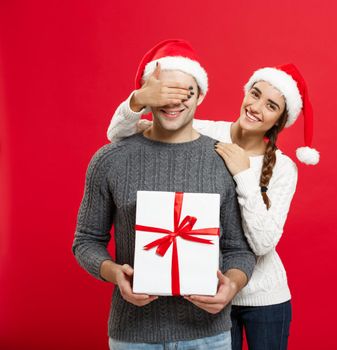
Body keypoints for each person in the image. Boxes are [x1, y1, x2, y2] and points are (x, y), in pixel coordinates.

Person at [107, 55, 319, 349]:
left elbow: (263, 244)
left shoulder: (284, 168)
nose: (256, 108)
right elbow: (118, 136)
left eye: (271, 106)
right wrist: (138, 99)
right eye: (255, 94)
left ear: (280, 121)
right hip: (207, 293)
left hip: (264, 297)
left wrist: (243, 175)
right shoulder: (204, 133)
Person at [72, 39, 256, 350]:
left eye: (185, 92)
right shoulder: (110, 159)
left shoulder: (223, 160)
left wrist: (233, 285)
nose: (173, 102)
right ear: (147, 96)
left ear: (200, 96)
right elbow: (86, 240)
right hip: (133, 335)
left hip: (208, 335)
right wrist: (114, 273)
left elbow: (239, 249)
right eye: (163, 92)